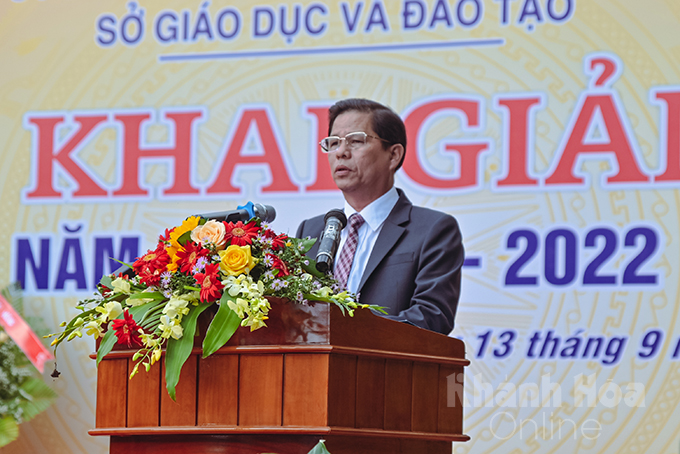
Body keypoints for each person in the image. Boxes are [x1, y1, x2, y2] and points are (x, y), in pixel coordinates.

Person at [296, 98, 464, 335]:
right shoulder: (311, 231)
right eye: (333, 143)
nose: (341, 153)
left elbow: (432, 318)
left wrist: (348, 330)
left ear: (393, 155)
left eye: (355, 141)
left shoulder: (432, 230)